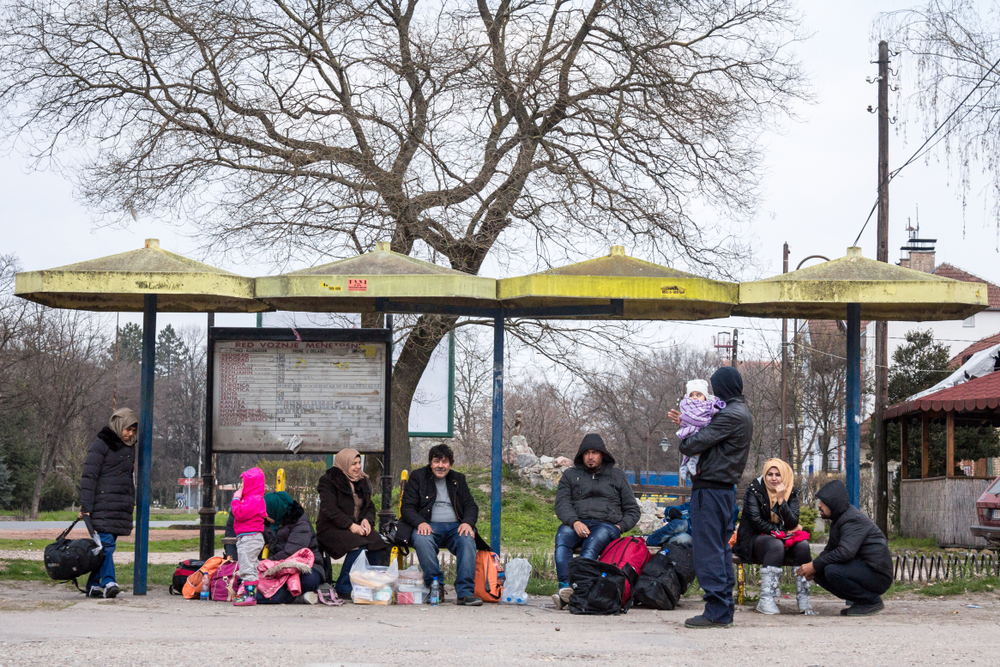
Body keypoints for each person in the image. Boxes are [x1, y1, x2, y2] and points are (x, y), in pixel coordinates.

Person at [669, 366, 752, 629]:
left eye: (716, 388)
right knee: (720, 548)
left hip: (711, 489)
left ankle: (716, 609)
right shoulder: (739, 412)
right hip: (723, 490)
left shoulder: (730, 415)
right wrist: (687, 421)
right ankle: (723, 609)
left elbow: (691, 444)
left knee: (708, 550)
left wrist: (686, 429)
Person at [551, 433, 640, 610]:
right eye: (586, 453)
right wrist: (574, 522)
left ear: (603, 455)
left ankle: (581, 590)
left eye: (595, 452)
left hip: (607, 525)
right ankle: (566, 588)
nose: (590, 457)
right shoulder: (570, 475)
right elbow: (562, 504)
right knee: (562, 539)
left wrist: (619, 527)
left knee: (591, 544)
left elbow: (633, 510)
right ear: (581, 456)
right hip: (578, 522)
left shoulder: (617, 476)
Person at [398, 443, 488, 606]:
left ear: (450, 464)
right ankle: (435, 586)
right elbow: (407, 507)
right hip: (429, 526)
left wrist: (468, 522)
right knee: (422, 538)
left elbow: (470, 505)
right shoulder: (418, 477)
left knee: (468, 538)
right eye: (436, 461)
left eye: (444, 461)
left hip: (456, 527)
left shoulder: (458, 479)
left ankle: (465, 592)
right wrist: (420, 522)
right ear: (430, 463)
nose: (440, 465)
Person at [795, 480, 893, 616]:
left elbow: (845, 552)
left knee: (831, 570)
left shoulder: (852, 520)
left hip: (877, 575)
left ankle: (871, 602)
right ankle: (861, 601)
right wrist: (813, 567)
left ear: (832, 502)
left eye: (822, 502)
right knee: (820, 571)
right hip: (864, 569)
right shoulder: (839, 519)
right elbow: (829, 550)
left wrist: (815, 564)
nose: (819, 505)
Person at [734, 458, 815, 615]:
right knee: (775, 544)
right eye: (770, 474)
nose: (773, 478)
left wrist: (780, 499)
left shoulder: (791, 492)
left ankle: (803, 597)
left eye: (778, 474)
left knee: (803, 545)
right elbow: (756, 521)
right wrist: (783, 532)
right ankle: (766, 598)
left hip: (780, 537)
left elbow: (793, 522)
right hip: (754, 539)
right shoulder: (754, 490)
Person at [79, 407, 138, 598]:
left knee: (104, 548)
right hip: (102, 504)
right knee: (106, 546)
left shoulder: (130, 447)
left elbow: (128, 477)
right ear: (118, 425)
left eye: (133, 431)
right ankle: (109, 582)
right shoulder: (101, 444)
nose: (130, 434)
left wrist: (131, 500)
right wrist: (86, 507)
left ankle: (93, 584)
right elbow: (89, 477)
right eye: (128, 429)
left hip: (120, 506)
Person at [316, 449, 389, 600]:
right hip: (330, 527)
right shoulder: (329, 480)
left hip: (355, 526)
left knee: (376, 543)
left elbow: (370, 506)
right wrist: (351, 526)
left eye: (359, 463)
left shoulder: (363, 481)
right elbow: (330, 509)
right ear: (343, 464)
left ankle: (366, 584)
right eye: (353, 464)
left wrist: (367, 520)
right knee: (358, 545)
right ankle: (343, 587)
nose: (357, 467)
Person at [256, 491, 325, 605]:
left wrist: (267, 563)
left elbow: (291, 552)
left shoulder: (300, 523)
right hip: (276, 566)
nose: (264, 515)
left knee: (307, 581)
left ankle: (281, 596)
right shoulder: (267, 522)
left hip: (305, 566)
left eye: (266, 512)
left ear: (276, 510)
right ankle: (299, 597)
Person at [677, 379, 726, 485]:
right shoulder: (686, 407)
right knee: (692, 441)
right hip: (690, 431)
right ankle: (685, 465)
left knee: (698, 440)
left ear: (705, 397)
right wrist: (682, 422)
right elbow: (687, 419)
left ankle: (692, 461)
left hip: (701, 433)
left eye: (698, 394)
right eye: (692, 395)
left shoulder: (708, 408)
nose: (694, 397)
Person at [231, 467, 267, 606]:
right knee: (250, 567)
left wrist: (235, 499)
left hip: (249, 538)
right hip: (250, 537)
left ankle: (250, 595)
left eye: (244, 484)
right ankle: (251, 593)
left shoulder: (253, 499)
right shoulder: (253, 499)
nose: (241, 487)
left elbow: (239, 513)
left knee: (246, 568)